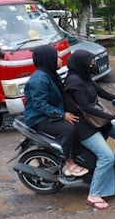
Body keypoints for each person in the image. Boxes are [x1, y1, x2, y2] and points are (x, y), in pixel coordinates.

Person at [65, 49, 115, 210]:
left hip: (96, 121)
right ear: (81, 63)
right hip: (84, 126)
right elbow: (86, 107)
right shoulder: (74, 82)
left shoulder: (84, 77)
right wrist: (113, 116)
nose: (92, 65)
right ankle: (94, 195)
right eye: (90, 63)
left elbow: (101, 92)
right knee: (106, 157)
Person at [23, 45, 89, 178]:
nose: (61, 60)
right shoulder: (39, 79)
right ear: (48, 59)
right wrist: (62, 115)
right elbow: (39, 104)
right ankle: (70, 164)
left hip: (51, 113)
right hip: (39, 118)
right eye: (57, 57)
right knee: (68, 129)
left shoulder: (50, 74)